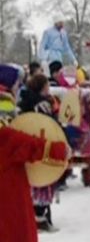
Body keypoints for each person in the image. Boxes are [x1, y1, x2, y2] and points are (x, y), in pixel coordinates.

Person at [0, 64, 69, 242]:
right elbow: (19, 142)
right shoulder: (5, 123)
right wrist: (57, 149)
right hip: (6, 188)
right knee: (7, 235)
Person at [18, 74, 61, 232]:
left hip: (27, 148)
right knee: (44, 181)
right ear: (42, 88)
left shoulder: (22, 103)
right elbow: (51, 126)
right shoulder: (43, 105)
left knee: (32, 180)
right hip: (42, 145)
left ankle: (34, 217)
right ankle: (41, 217)